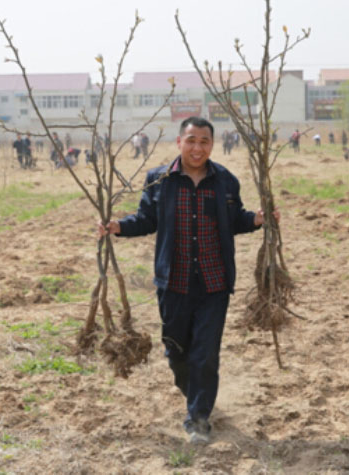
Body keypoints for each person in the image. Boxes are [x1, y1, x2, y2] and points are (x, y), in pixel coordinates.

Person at [98, 116, 278, 446]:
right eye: (191, 140)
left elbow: (234, 219)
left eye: (204, 141)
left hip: (214, 282)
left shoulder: (225, 180)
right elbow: (146, 219)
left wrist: (256, 219)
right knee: (176, 351)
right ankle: (195, 392)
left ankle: (198, 418)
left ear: (212, 144)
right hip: (174, 283)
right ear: (179, 142)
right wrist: (117, 227)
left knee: (205, 353)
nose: (198, 148)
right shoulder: (160, 179)